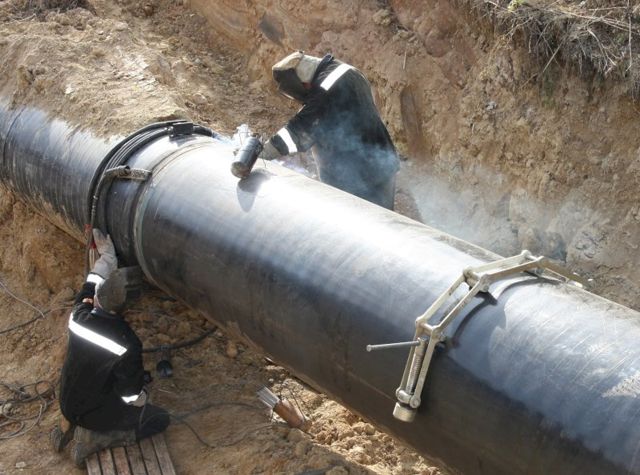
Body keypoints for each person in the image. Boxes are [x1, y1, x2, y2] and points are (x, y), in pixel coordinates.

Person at [53, 229, 169, 466]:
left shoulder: (79, 314)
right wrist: (143, 394)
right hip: (95, 415)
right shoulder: (128, 343)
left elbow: (91, 282)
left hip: (66, 401)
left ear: (98, 299)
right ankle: (95, 439)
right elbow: (130, 396)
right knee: (159, 419)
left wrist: (107, 257)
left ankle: (72, 423)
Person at [261, 51, 400, 210]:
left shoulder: (326, 89)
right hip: (382, 164)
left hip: (358, 176)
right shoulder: (344, 71)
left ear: (304, 83)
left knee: (359, 221)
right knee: (384, 219)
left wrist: (264, 152)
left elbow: (300, 129)